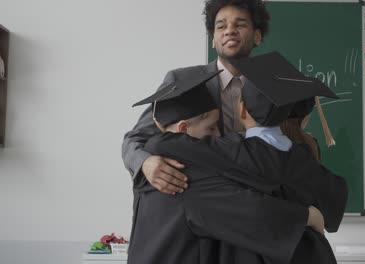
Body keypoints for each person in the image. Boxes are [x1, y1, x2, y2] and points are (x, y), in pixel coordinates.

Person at [140, 51, 347, 264]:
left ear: (241, 110)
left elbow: (161, 143)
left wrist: (149, 154)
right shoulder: (304, 159)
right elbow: (334, 210)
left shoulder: (229, 151)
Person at [122, 0, 271, 194]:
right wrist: (146, 163)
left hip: (258, 205)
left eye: (240, 24)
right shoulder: (182, 81)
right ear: (213, 39)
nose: (229, 31)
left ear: (257, 36)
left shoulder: (271, 87)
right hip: (196, 204)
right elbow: (134, 139)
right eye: (221, 26)